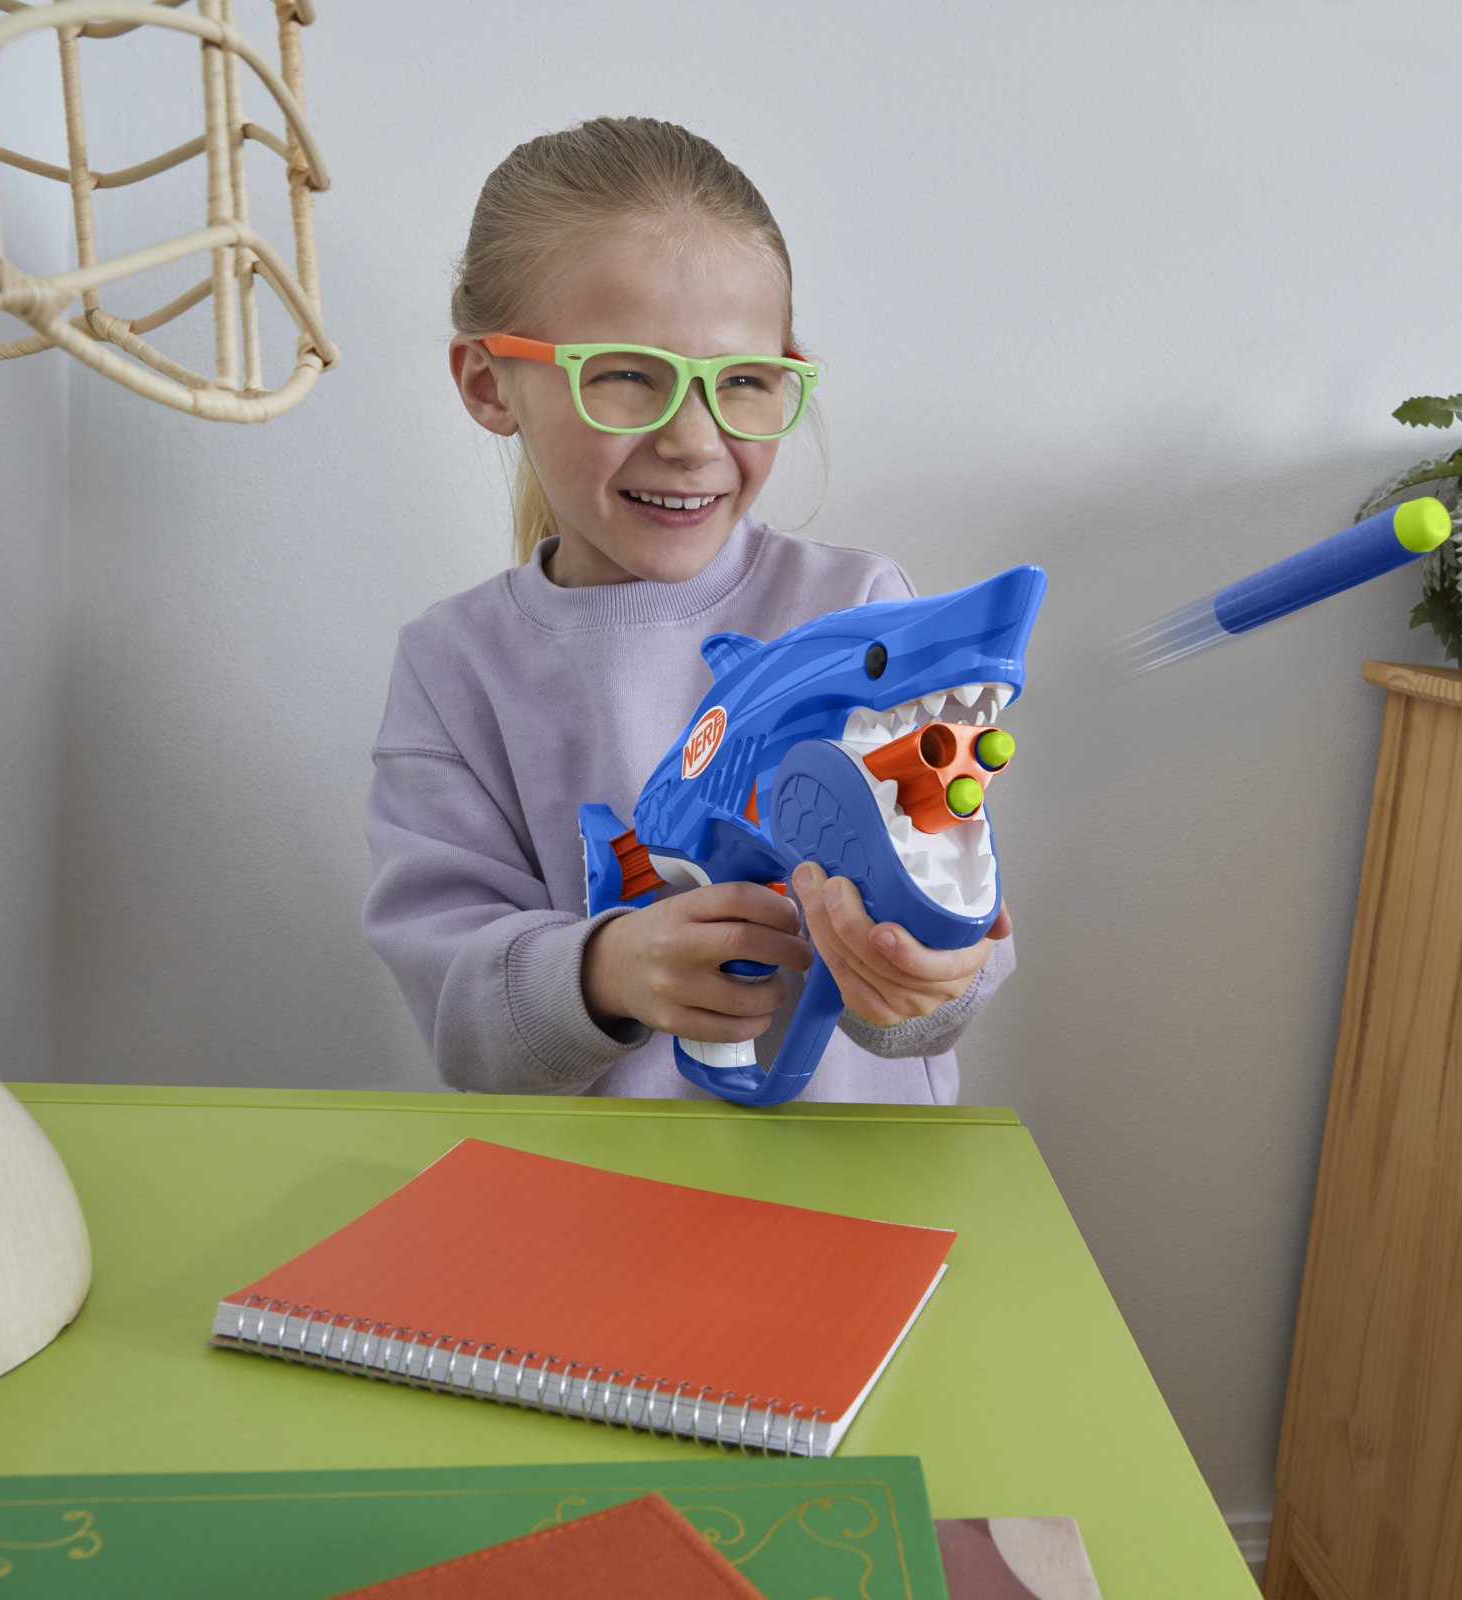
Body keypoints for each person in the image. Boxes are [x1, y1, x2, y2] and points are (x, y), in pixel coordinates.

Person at [362, 117, 1013, 1101]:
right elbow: (459, 1013)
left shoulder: (860, 612)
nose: (694, 440)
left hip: (857, 1181)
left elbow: (958, 937)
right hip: (591, 1189)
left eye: (742, 381)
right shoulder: (454, 668)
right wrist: (606, 971)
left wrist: (927, 976)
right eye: (627, 376)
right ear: (490, 384)